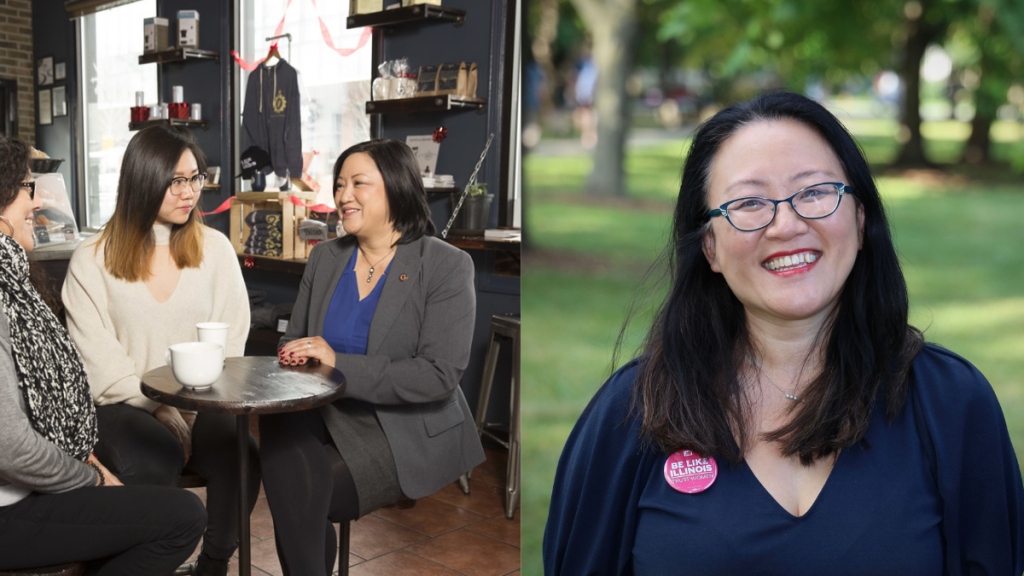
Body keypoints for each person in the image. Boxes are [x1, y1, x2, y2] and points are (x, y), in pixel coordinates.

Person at [544, 92, 1024, 574]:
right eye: (749, 202)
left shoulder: (953, 404)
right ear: (710, 246)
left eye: (814, 192)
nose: (786, 224)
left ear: (859, 218)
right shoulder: (632, 411)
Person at [258, 138, 485, 574]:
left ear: (396, 187)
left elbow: (437, 375)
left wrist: (337, 361)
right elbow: (300, 344)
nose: (343, 195)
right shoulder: (326, 257)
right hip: (324, 412)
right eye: (340, 184)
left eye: (358, 183)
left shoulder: (446, 265)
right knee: (283, 440)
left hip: (402, 424)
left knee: (297, 485)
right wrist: (294, 353)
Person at [0, 135, 207, 573]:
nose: (36, 204)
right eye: (26, 188)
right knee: (182, 518)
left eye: (195, 179)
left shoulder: (15, 283)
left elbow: (39, 415)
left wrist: (86, 461)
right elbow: (12, 446)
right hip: (9, 507)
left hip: (23, 489)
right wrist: (91, 477)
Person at [62, 126, 259, 576]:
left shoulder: (216, 250)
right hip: (124, 403)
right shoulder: (92, 258)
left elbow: (232, 339)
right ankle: (146, 563)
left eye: (196, 178)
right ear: (143, 180)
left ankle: (213, 565)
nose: (190, 192)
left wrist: (193, 405)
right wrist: (157, 406)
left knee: (241, 452)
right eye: (177, 181)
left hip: (205, 401)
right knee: (151, 459)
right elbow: (96, 358)